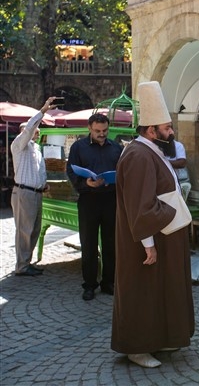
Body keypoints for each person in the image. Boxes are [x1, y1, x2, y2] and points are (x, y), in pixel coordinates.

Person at [111, 81, 195, 368]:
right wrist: (149, 244)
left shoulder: (150, 151)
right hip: (146, 242)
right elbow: (141, 206)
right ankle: (137, 346)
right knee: (142, 292)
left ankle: (159, 338)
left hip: (160, 237)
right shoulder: (138, 155)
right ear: (150, 130)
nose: (171, 132)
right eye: (167, 127)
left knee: (156, 291)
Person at [67, 114, 123, 301]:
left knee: (111, 243)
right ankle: (89, 285)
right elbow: (71, 171)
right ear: (90, 128)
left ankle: (109, 282)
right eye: (98, 131)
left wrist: (113, 182)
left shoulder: (116, 147)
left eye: (105, 131)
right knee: (89, 244)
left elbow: (123, 172)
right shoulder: (78, 147)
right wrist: (86, 183)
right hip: (88, 200)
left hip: (110, 200)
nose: (102, 134)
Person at [11, 97, 58, 276]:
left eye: (36, 132)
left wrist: (43, 184)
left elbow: (40, 170)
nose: (34, 133)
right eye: (31, 131)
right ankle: (21, 266)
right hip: (24, 192)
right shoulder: (18, 145)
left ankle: (26, 262)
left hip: (36, 193)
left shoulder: (36, 149)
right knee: (24, 230)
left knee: (34, 229)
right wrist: (43, 110)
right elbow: (29, 128)